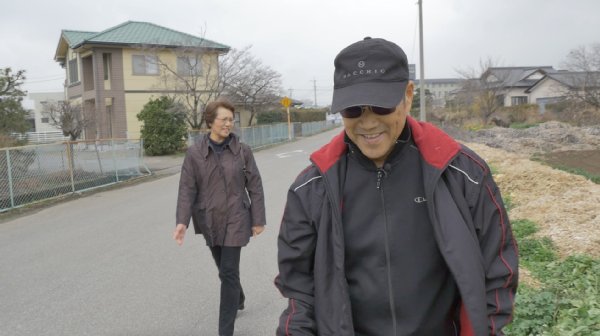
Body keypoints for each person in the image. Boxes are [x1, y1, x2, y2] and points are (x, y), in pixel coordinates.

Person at [275, 37, 518, 336]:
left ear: (407, 95)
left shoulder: (463, 173)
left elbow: (499, 269)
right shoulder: (311, 188)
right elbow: (299, 288)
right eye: (353, 110)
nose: (367, 123)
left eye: (380, 106)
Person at [174, 99, 266, 336]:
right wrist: (182, 221)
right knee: (225, 269)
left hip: (237, 216)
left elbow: (254, 185)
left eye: (231, 120)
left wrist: (258, 219)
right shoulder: (195, 153)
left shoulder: (242, 151)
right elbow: (187, 188)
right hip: (209, 219)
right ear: (210, 121)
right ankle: (239, 296)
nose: (229, 124)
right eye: (224, 119)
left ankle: (225, 331)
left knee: (227, 271)